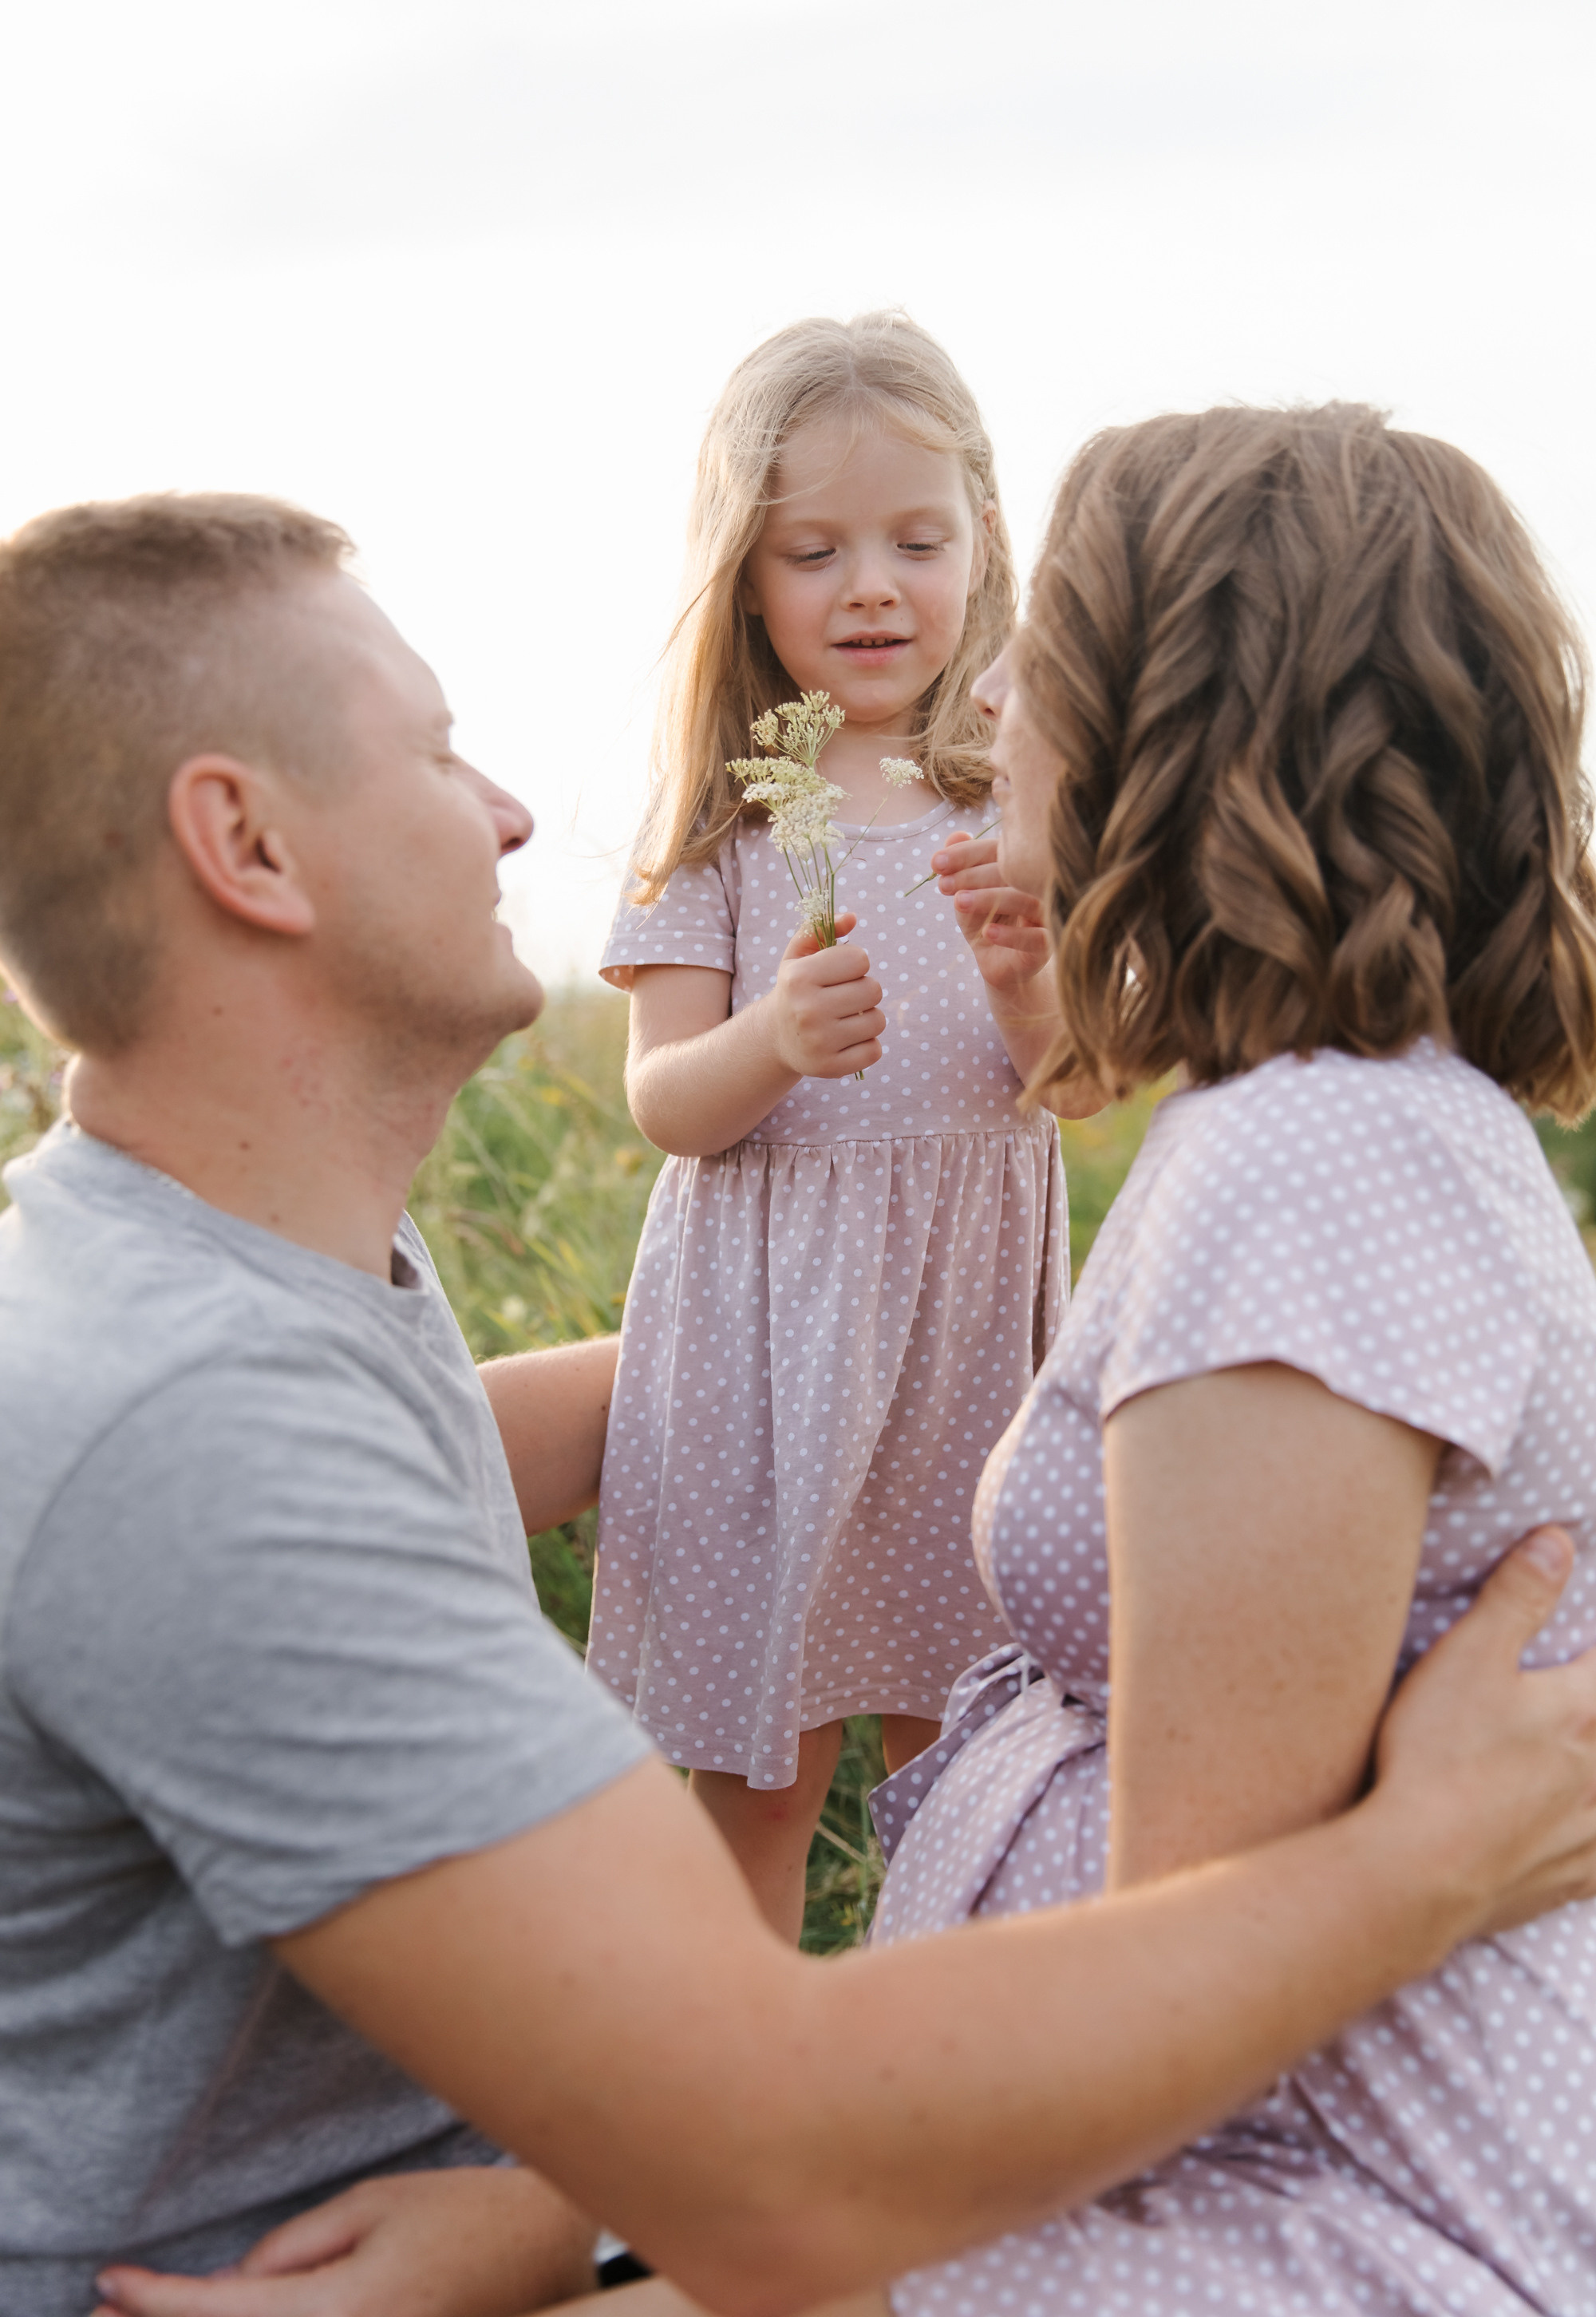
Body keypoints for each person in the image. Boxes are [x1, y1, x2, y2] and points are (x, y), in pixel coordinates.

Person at [2, 493, 1594, 2317]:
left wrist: (548, 2209)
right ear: (247, 847)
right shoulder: (194, 1422)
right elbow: (773, 2163)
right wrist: (1436, 1861)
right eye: (440, 752)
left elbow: (442, 1450)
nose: (515, 813)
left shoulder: (235, 1274)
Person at [866, 402, 1596, 2312]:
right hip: (1240, 2165)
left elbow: (1191, 1988)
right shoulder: (1320, 1124)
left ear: (1175, 714)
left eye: (1046, 647)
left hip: (1309, 2207)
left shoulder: (1313, 1157)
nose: (993, 696)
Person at [591, 313, 1092, 1936]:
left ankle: (925, 2085)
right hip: (779, 1354)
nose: (872, 585)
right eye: (815, 551)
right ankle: (712, 2090)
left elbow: (1075, 1083)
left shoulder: (1016, 796)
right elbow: (667, 1100)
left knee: (976, 1762)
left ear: (983, 549)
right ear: (746, 576)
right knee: (763, 1773)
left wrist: (1026, 988)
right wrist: (773, 1039)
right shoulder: (729, 812)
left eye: (916, 541)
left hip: (965, 1350)